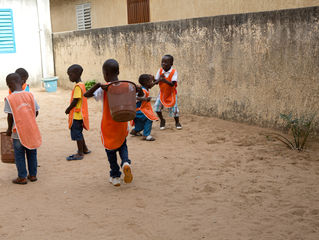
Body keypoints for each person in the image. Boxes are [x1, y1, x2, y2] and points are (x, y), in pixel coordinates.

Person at [84, 59, 133, 187]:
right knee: (123, 145)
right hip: (122, 124)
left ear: (105, 74)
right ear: (118, 71)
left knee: (110, 152)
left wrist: (98, 85)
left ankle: (115, 176)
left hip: (108, 125)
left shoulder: (104, 88)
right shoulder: (127, 86)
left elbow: (86, 95)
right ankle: (125, 163)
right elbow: (136, 94)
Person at [4, 73, 41, 184]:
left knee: (19, 155)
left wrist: (9, 129)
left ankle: (22, 177)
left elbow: (10, 116)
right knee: (32, 152)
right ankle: (33, 175)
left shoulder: (9, 99)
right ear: (22, 82)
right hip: (31, 129)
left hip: (17, 132)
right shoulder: (30, 95)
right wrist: (29, 119)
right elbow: (36, 111)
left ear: (8, 85)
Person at [65, 64, 90, 161]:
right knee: (79, 132)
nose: (69, 77)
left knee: (77, 133)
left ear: (76, 74)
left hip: (77, 115)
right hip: (80, 115)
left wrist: (68, 109)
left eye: (70, 75)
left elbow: (75, 100)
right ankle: (85, 149)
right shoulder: (82, 85)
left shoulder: (77, 87)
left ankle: (80, 153)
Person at [154, 54, 182, 130]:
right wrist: (158, 79)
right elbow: (156, 82)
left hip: (171, 93)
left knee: (175, 109)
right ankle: (162, 120)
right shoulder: (160, 71)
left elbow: (172, 84)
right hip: (162, 92)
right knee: (156, 107)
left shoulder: (173, 72)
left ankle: (177, 122)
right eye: (162, 62)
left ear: (171, 64)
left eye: (166, 62)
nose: (164, 64)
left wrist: (164, 80)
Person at [130, 74, 158, 141]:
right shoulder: (143, 91)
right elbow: (136, 97)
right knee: (149, 118)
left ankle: (135, 131)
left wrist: (156, 80)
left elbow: (152, 84)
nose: (152, 83)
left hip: (137, 111)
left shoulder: (145, 88)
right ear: (146, 83)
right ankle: (146, 135)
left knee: (141, 123)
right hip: (139, 110)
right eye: (150, 82)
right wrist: (144, 99)